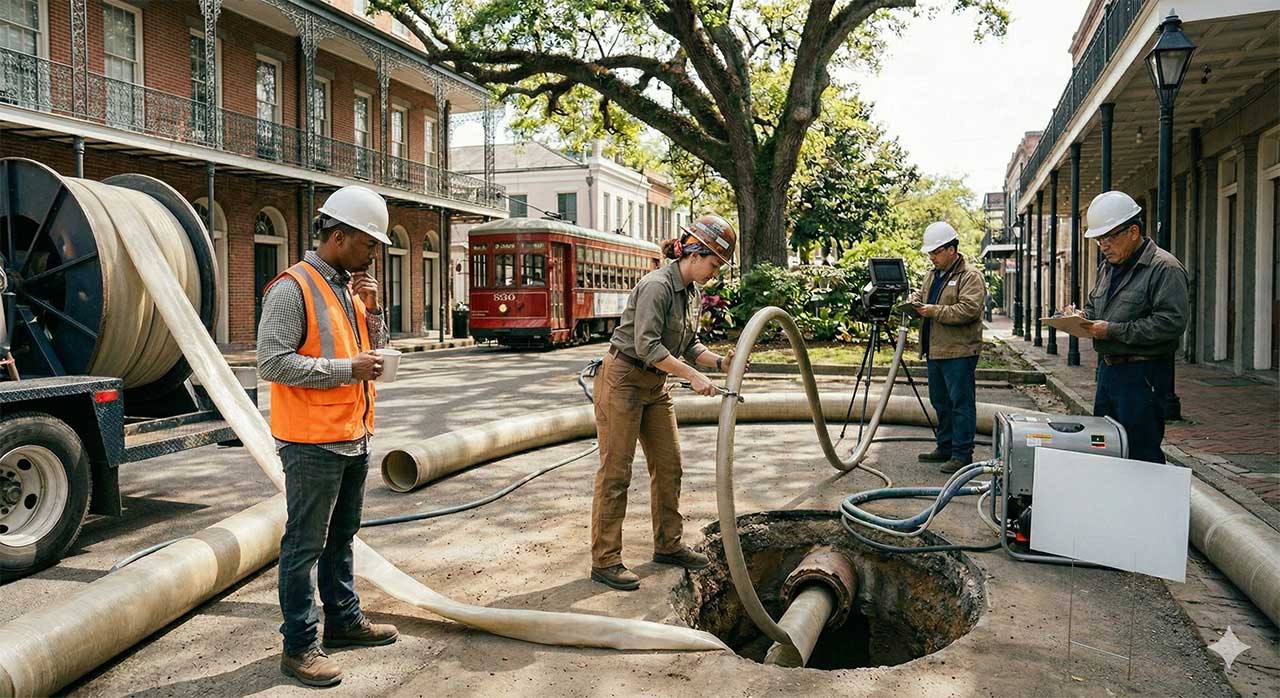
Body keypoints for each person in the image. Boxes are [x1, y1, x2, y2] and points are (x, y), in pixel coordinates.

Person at [258, 185, 399, 687]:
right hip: (311, 441)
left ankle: (342, 620)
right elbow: (272, 361)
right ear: (338, 236)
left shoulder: (348, 286)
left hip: (353, 433)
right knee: (304, 544)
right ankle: (299, 647)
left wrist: (375, 311)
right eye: (368, 244)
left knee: (342, 536)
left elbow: (372, 354)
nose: (375, 253)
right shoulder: (291, 288)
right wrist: (347, 368)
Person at [590, 213, 741, 591]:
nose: (715, 272)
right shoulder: (657, 286)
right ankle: (605, 560)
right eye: (714, 263)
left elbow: (688, 345)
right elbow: (648, 346)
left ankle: (668, 545)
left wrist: (721, 363)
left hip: (655, 386)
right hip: (624, 379)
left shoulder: (692, 294)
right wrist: (691, 375)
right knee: (616, 473)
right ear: (695, 252)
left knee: (670, 465)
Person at [1065, 191, 1188, 464]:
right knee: (1105, 447)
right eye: (1098, 239)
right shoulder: (1108, 267)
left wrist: (1112, 330)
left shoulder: (1164, 269)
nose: (1103, 245)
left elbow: (1171, 323)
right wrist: (1079, 317)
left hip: (1143, 375)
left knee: (1140, 452)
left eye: (1108, 237)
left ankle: (1148, 506)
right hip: (1109, 372)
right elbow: (1096, 308)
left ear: (1133, 231)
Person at [909, 221, 986, 475]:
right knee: (940, 401)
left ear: (952, 249)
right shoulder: (933, 275)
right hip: (936, 350)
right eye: (930, 253)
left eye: (936, 252)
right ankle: (945, 446)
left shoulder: (970, 276)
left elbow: (969, 310)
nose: (932, 257)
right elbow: (926, 300)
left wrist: (933, 311)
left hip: (959, 352)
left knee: (961, 403)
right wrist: (917, 301)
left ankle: (962, 453)